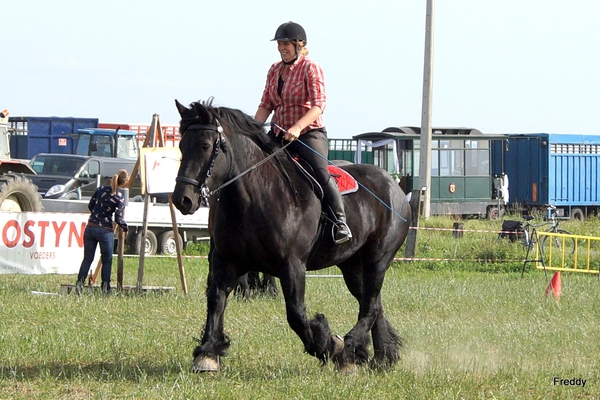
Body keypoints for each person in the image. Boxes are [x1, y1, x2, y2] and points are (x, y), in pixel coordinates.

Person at [254, 21, 352, 244]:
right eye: (279, 43)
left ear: (299, 45)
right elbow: (266, 104)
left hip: (309, 133)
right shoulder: (274, 70)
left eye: (286, 43)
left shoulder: (310, 68)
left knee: (320, 171)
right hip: (279, 134)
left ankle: (340, 221)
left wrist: (298, 127)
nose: (281, 47)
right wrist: (252, 130)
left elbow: (319, 104)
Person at [75, 169, 129, 295]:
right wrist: (125, 227)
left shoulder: (100, 189)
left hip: (91, 227)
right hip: (105, 231)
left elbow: (90, 205)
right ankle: (105, 288)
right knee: (107, 260)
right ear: (124, 183)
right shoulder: (119, 198)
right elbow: (118, 218)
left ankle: (79, 285)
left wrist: (97, 214)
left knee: (87, 259)